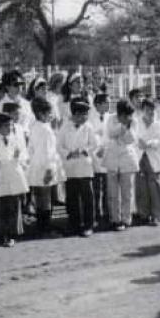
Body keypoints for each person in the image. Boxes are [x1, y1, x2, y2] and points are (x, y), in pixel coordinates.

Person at [0, 112, 29, 246]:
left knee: (13, 206)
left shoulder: (16, 139)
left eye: (10, 125)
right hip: (0, 177)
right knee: (1, 207)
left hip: (14, 175)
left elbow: (24, 155)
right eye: (5, 126)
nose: (9, 128)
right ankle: (2, 234)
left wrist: (18, 157)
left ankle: (12, 235)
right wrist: (1, 158)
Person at [57, 100, 98, 236]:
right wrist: (69, 153)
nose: (86, 118)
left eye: (86, 115)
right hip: (70, 167)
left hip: (85, 166)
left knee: (87, 197)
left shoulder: (88, 127)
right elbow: (59, 146)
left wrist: (84, 150)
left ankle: (88, 225)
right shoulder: (64, 127)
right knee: (72, 198)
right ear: (76, 114)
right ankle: (74, 224)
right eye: (83, 114)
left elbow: (94, 144)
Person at [102, 100, 140, 230]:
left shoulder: (134, 121)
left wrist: (126, 127)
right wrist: (123, 127)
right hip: (112, 158)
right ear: (119, 113)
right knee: (113, 192)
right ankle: (115, 219)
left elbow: (130, 139)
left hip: (127, 158)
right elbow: (111, 133)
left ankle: (126, 218)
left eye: (129, 115)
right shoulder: (111, 119)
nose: (127, 118)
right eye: (124, 115)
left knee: (127, 192)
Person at [27, 97, 61, 236]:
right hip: (45, 167)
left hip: (35, 166)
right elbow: (48, 152)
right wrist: (48, 170)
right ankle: (46, 227)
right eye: (49, 113)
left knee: (40, 198)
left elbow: (31, 149)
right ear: (41, 114)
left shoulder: (34, 126)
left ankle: (41, 226)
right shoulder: (46, 130)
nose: (51, 115)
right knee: (46, 199)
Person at [135, 98, 160, 226]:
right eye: (147, 109)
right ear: (142, 110)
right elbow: (133, 137)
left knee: (155, 187)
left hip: (153, 156)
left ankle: (156, 215)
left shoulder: (158, 124)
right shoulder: (136, 123)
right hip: (139, 156)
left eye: (152, 110)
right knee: (141, 186)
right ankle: (143, 213)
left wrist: (149, 143)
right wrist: (140, 143)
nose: (150, 112)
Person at [89, 93, 111, 229]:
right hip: (95, 157)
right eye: (105, 103)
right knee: (96, 189)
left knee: (108, 188)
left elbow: (111, 136)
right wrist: (98, 150)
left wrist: (106, 149)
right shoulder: (90, 119)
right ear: (97, 105)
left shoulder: (111, 118)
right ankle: (96, 214)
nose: (108, 105)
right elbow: (91, 137)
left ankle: (107, 214)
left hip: (108, 155)